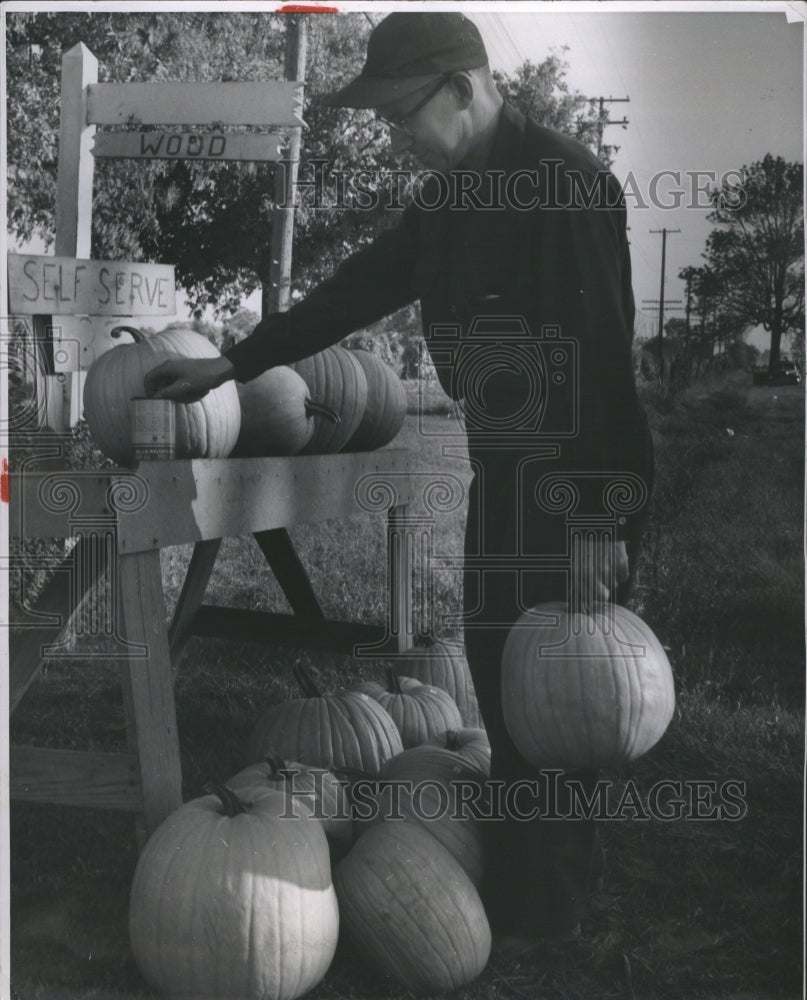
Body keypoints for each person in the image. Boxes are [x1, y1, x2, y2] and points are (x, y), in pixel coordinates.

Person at [145, 12, 654, 953]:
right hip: (500, 466)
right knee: (507, 686)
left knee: (569, 701)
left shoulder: (566, 183)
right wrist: (232, 363)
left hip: (570, 478)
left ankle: (550, 918)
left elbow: (599, 368)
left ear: (463, 89)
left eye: (400, 113)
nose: (393, 133)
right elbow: (354, 289)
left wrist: (597, 524)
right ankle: (524, 892)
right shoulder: (451, 197)